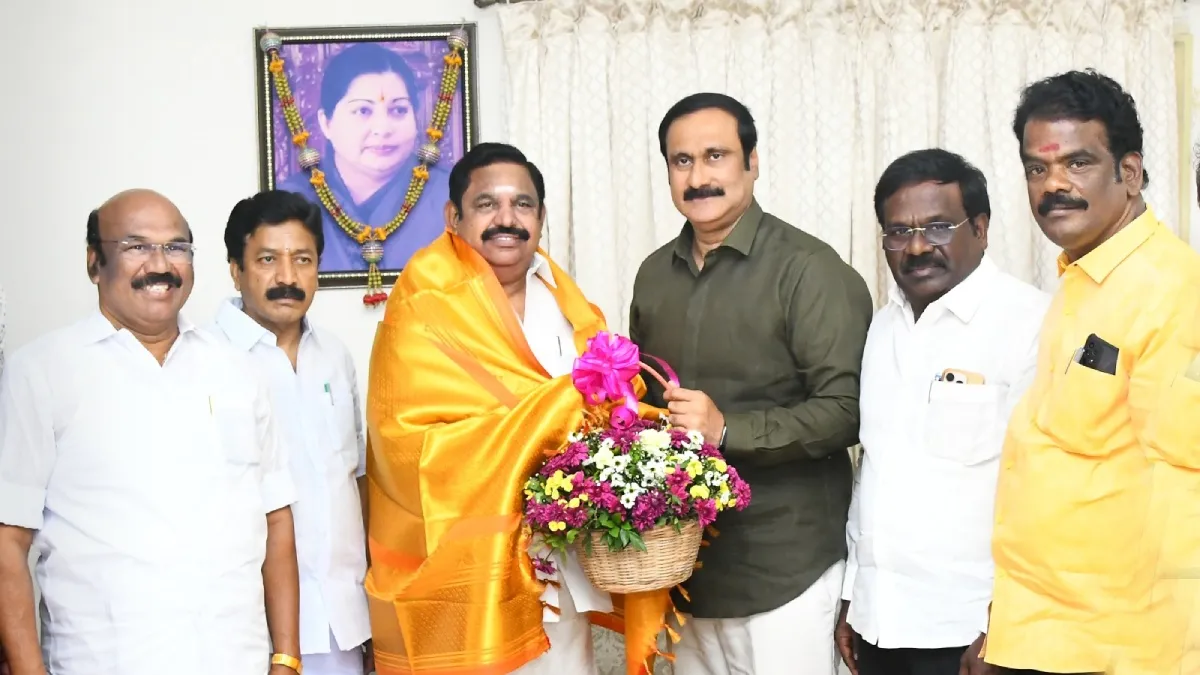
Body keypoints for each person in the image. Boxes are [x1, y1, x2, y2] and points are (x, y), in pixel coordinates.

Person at [363, 142, 670, 675]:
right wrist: (557, 407)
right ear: (453, 217)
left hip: (563, 566)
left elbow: (605, 414)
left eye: (522, 204)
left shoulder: (568, 303)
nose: (506, 219)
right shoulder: (422, 309)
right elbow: (405, 445)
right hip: (469, 572)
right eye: (487, 204)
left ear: (541, 216)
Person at [0, 189, 301, 675]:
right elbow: (7, 541)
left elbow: (277, 517)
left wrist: (286, 658)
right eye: (136, 246)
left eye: (176, 247)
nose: (160, 265)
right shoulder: (42, 371)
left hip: (235, 660)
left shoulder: (238, 369)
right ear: (94, 262)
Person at [628, 92, 874, 675]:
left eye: (716, 156)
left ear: (752, 161)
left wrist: (727, 430)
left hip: (785, 567)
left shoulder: (808, 270)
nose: (698, 178)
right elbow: (642, 405)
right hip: (684, 569)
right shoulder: (654, 275)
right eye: (682, 161)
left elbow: (848, 410)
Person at [986, 69, 1200, 675]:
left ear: (1128, 173)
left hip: (1126, 648)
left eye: (1077, 163)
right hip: (1049, 630)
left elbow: (1186, 489)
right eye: (1036, 168)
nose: (1053, 185)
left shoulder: (1171, 291)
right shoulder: (1083, 280)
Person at [835, 149, 1050, 675]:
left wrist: (1008, 621)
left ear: (980, 228)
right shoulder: (883, 327)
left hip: (970, 629)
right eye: (898, 231)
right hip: (879, 622)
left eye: (937, 227)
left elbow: (1044, 491)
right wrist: (853, 596)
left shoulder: (1030, 323)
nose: (915, 247)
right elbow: (873, 471)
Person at [208, 190, 372, 675]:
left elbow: (355, 480)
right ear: (235, 269)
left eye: (303, 259)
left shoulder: (335, 355)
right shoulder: (205, 360)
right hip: (246, 630)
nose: (287, 277)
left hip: (343, 623)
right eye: (267, 260)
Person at [279, 43, 451, 273]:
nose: (382, 129)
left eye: (398, 110)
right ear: (326, 123)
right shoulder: (289, 201)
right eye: (363, 111)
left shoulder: (450, 196)